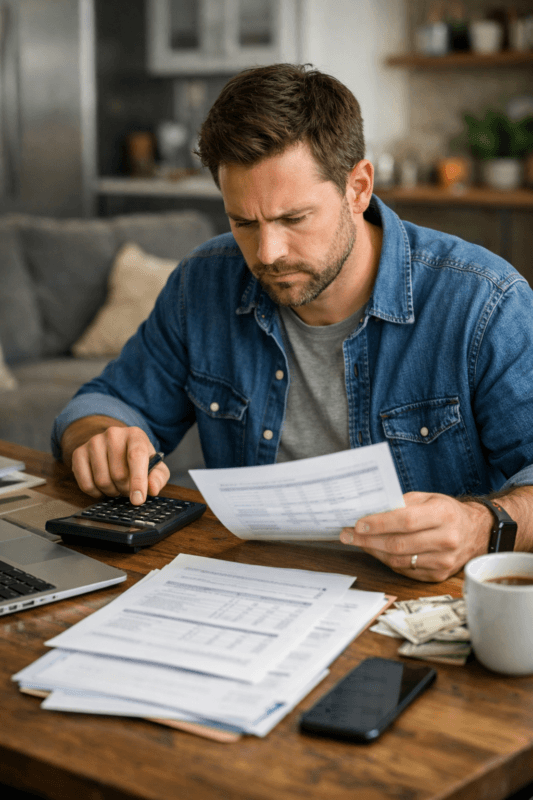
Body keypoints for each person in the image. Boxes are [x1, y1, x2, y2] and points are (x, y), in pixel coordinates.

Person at [53, 63, 533, 582]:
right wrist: (101, 438)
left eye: (293, 219)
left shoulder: (483, 302)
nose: (268, 252)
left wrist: (483, 525)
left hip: (416, 603)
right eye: (243, 222)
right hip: (248, 586)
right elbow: (102, 404)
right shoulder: (203, 284)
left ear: (359, 187)